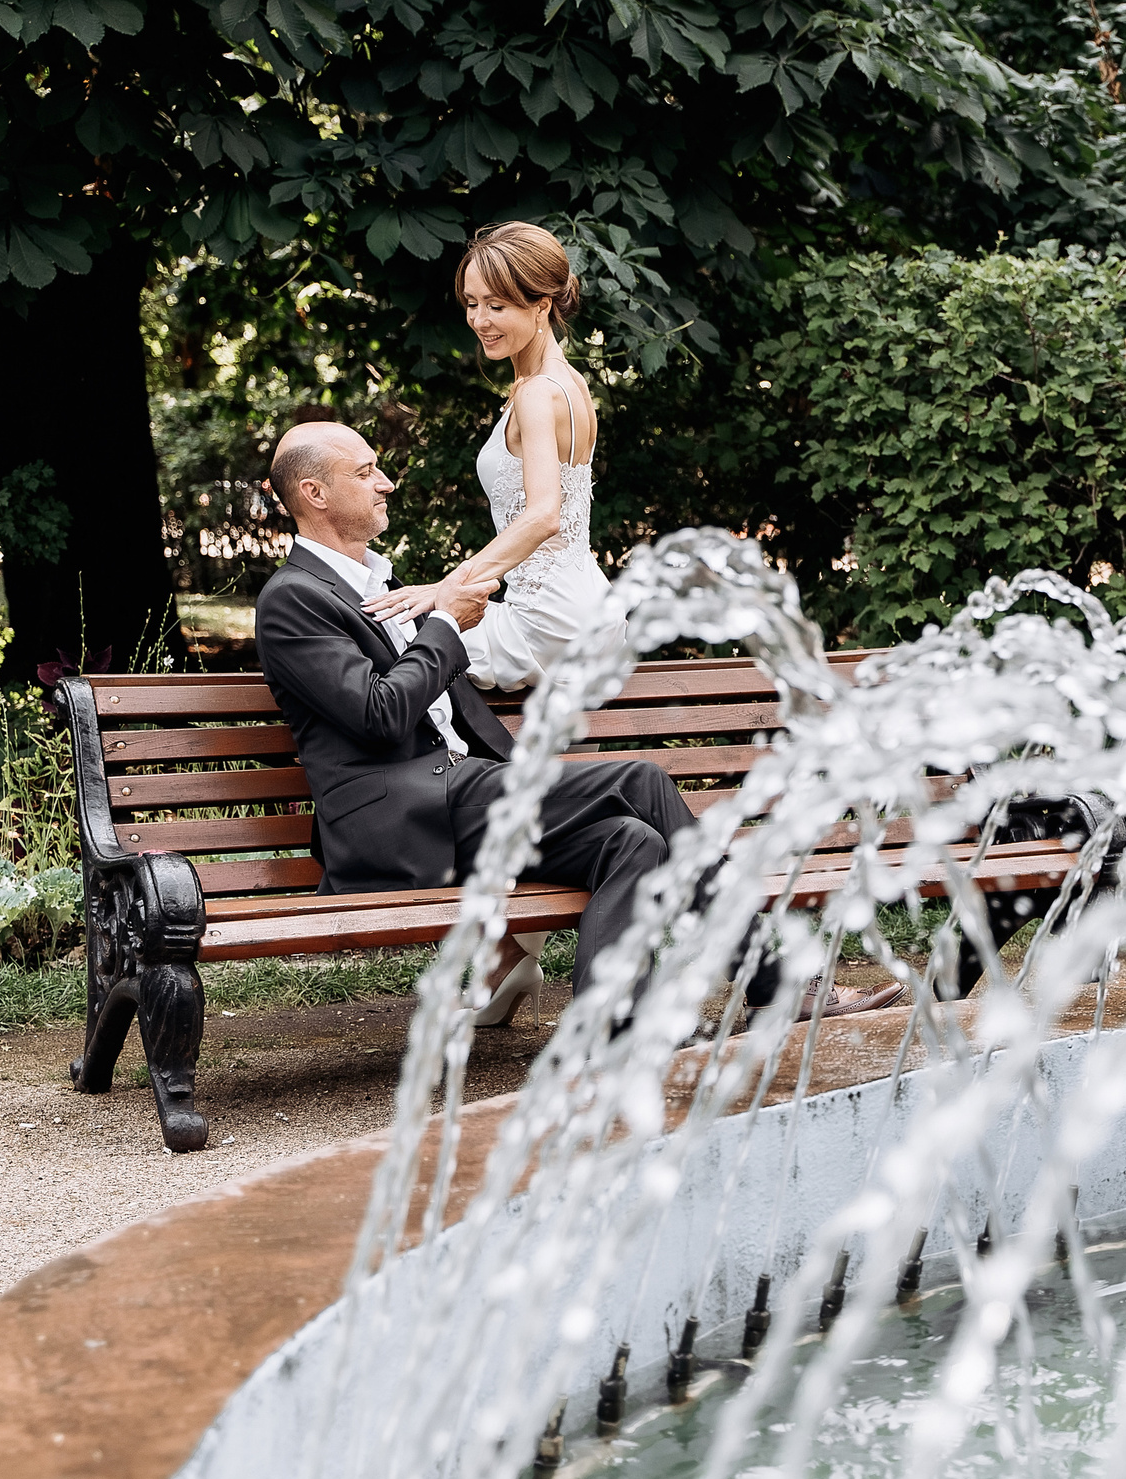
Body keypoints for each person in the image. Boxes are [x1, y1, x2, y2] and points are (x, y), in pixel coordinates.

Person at [257, 420, 899, 1023]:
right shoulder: (294, 599)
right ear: (314, 493)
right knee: (641, 781)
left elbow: (439, 701)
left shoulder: (379, 582)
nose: (386, 483)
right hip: (403, 822)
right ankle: (774, 983)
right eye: (365, 472)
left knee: (631, 840)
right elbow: (380, 714)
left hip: (462, 801)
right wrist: (446, 623)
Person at [362, 221, 604, 692]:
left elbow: (544, 516)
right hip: (587, 607)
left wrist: (447, 587)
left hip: (548, 625)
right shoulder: (570, 382)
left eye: (497, 306)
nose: (479, 320)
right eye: (472, 303)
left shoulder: (538, 393)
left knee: (393, 643)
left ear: (542, 305)